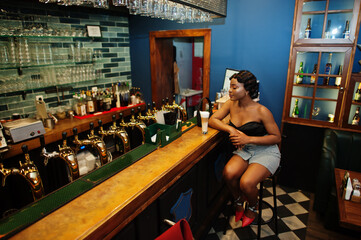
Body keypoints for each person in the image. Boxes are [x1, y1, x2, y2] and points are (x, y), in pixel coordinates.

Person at [209, 70, 281, 227]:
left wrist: (247, 138)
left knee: (246, 183)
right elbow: (213, 119)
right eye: (230, 87)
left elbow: (276, 137)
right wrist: (231, 129)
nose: (230, 90)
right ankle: (239, 200)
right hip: (245, 150)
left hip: (266, 151)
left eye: (235, 87)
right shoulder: (230, 104)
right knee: (228, 173)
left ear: (247, 90)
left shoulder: (262, 111)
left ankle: (253, 207)